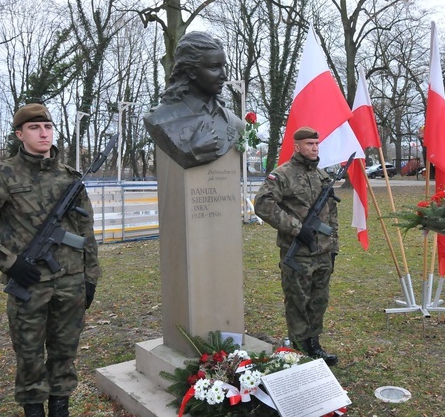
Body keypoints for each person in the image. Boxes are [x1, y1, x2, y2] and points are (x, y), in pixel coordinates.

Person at [0, 103, 101, 417]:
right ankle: (34, 411)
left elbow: (85, 230)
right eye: (35, 128)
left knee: (65, 354)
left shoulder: (69, 176)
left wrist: (90, 276)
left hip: (71, 281)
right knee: (30, 356)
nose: (43, 133)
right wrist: (9, 263)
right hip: (29, 283)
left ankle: (60, 408)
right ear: (20, 134)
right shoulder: (2, 176)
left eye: (47, 127)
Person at [254, 127, 339, 366]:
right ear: (297, 146)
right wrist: (295, 228)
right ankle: (299, 347)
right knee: (297, 301)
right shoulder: (282, 175)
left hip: (322, 252)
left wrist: (333, 247)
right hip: (298, 253)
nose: (314, 148)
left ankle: (314, 344)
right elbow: (262, 204)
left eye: (316, 143)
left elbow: (331, 215)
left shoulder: (322, 175)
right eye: (310, 144)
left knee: (318, 300)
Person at [143, 31, 245, 168]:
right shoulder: (159, 119)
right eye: (214, 67)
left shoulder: (235, 124)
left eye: (223, 67)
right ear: (190, 71)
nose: (224, 76)